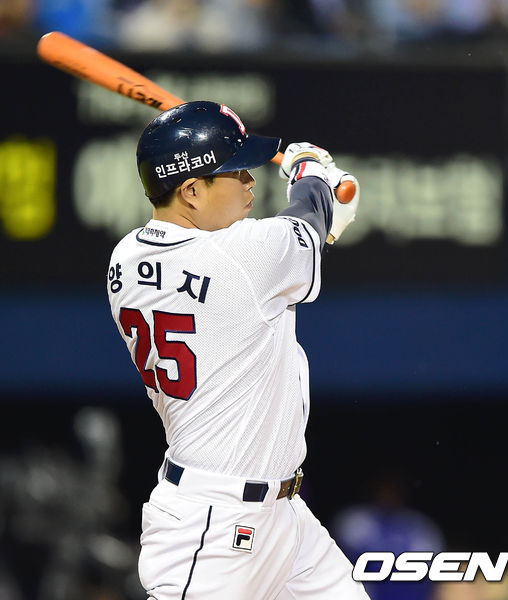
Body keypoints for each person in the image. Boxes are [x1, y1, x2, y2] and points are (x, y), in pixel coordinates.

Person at [107, 100, 365, 599]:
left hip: (281, 516)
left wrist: (319, 195)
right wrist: (310, 169)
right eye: (235, 171)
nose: (250, 182)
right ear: (190, 191)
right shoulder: (241, 257)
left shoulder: (125, 256)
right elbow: (313, 216)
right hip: (214, 528)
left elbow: (310, 226)